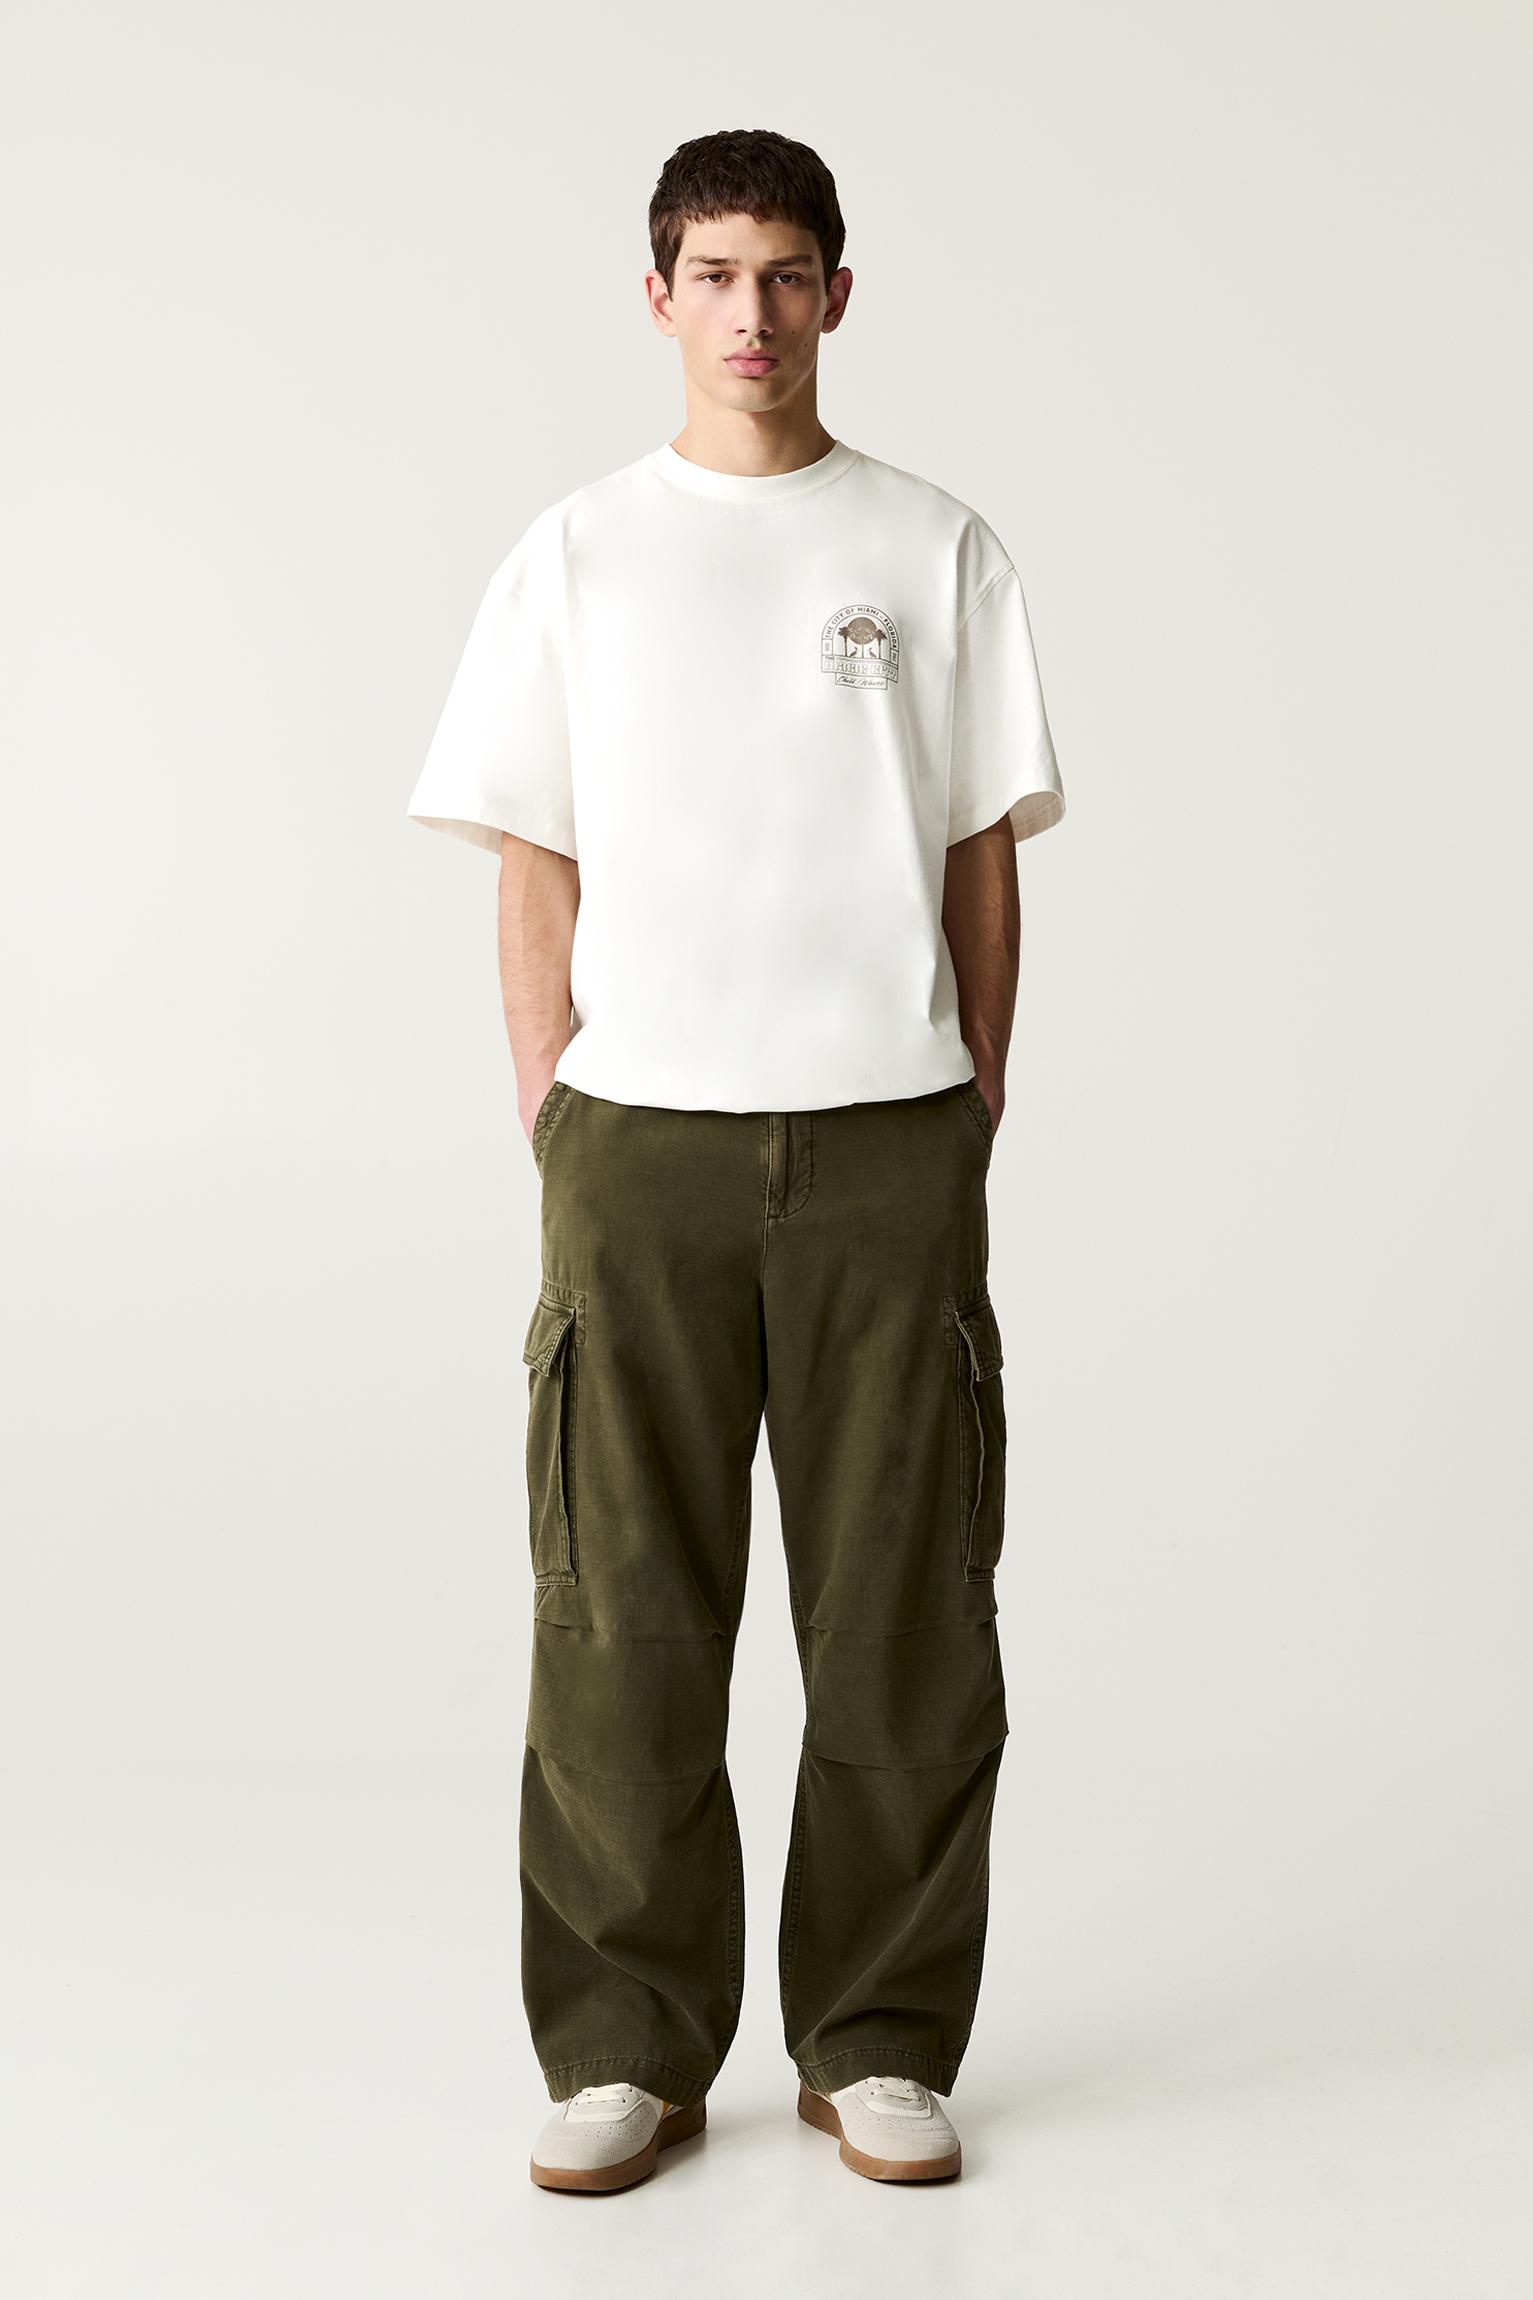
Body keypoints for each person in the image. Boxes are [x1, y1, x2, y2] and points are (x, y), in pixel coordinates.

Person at [405, 127, 1065, 2193]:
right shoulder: (577, 554)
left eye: (786, 273)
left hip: (886, 1142)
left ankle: (875, 2035)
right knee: (619, 1610)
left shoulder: (932, 547)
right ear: (656, 298)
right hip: (638, 1147)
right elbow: (531, 849)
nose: (751, 313)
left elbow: (976, 850)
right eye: (713, 274)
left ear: (836, 296)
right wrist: (555, 1105)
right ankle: (623, 2042)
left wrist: (964, 1097)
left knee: (904, 1611)